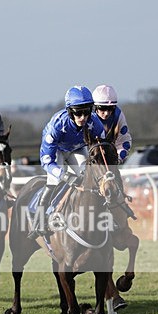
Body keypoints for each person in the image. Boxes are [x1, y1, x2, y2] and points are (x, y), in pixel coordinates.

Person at [31, 85, 105, 237]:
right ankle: (39, 221)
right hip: (57, 151)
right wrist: (64, 175)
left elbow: (102, 148)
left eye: (86, 112)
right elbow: (46, 161)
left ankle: (103, 214)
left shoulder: (95, 123)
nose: (83, 117)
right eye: (78, 113)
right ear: (70, 111)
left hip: (77, 149)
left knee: (89, 176)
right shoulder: (57, 125)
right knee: (54, 180)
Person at [91, 85, 132, 164]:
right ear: (94, 107)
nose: (106, 113)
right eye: (102, 108)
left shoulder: (118, 116)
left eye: (111, 108)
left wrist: (117, 160)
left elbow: (124, 141)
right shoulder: (87, 116)